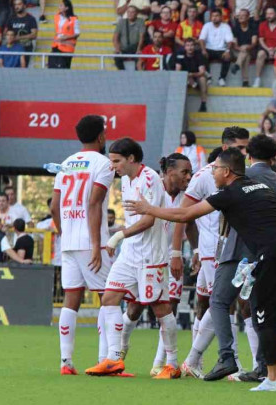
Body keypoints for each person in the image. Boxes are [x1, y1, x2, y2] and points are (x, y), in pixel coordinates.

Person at [126, 145, 276, 393]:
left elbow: (185, 213)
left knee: (263, 318)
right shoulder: (260, 186)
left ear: (227, 172)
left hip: (272, 253)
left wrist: (148, 209)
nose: (213, 173)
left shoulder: (229, 193)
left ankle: (274, 377)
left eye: (216, 169)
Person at [196, 130, 276, 383]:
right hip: (268, 253)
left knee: (220, 302)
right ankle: (264, 366)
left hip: (237, 249)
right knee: (258, 307)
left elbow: (187, 210)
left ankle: (225, 357)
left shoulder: (239, 178)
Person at [83, 138, 173, 377]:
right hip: (130, 253)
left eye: (116, 161)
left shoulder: (150, 178)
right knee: (110, 298)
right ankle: (114, 359)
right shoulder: (124, 180)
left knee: (161, 307)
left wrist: (117, 236)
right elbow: (134, 218)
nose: (112, 166)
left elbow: (149, 219)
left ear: (131, 158)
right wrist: (120, 235)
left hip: (151, 255)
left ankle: (172, 363)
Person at [170, 127, 246, 380]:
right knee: (223, 304)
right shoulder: (204, 176)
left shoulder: (241, 175)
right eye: (240, 147)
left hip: (224, 249)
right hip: (215, 251)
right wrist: (177, 251)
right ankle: (225, 362)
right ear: (226, 149)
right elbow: (183, 215)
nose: (245, 152)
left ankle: (195, 360)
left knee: (208, 303)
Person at [49, 115, 114, 375]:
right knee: (108, 298)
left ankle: (66, 362)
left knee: (70, 300)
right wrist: (97, 245)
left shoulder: (65, 163)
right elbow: (94, 204)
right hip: (91, 242)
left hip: (68, 242)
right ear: (100, 136)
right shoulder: (104, 163)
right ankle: (105, 359)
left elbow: (54, 206)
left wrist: (64, 232)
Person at [120, 153, 193, 379]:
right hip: (145, 258)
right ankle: (120, 351)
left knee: (167, 308)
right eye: (185, 173)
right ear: (170, 173)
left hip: (171, 260)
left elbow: (189, 222)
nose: (189, 178)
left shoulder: (187, 196)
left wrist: (187, 252)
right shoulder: (152, 188)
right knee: (134, 308)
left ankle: (160, 364)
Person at [199, 9, 234, 86]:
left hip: (221, 50)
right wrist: (203, 50)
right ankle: (208, 77)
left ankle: (222, 78)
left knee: (228, 56)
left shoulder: (226, 26)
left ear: (221, 17)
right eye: (213, 16)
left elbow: (230, 41)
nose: (215, 18)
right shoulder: (207, 26)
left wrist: (227, 51)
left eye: (217, 16)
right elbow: (201, 39)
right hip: (209, 49)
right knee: (201, 54)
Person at [176, 38, 209, 112]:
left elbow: (202, 72)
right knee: (182, 77)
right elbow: (178, 71)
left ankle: (203, 104)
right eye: (187, 45)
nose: (190, 47)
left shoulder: (199, 55)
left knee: (203, 79)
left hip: (195, 75)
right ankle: (180, 105)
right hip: (185, 77)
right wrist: (187, 76)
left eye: (191, 45)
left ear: (194, 46)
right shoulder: (180, 54)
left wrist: (191, 75)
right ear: (184, 47)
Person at [230, 9, 258, 87]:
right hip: (238, 51)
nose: (240, 17)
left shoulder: (253, 27)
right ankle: (245, 81)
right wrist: (241, 49)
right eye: (239, 15)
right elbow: (235, 45)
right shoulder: (235, 28)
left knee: (246, 51)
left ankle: (237, 65)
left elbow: (254, 43)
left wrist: (247, 47)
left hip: (251, 50)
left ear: (248, 17)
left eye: (243, 15)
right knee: (245, 55)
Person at [113, 5, 145, 70]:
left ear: (136, 13)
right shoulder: (121, 22)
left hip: (135, 48)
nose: (130, 14)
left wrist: (138, 49)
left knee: (140, 60)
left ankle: (137, 75)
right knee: (117, 58)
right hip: (123, 48)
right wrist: (117, 48)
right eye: (128, 12)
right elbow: (115, 37)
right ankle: (122, 73)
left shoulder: (140, 21)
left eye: (132, 12)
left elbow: (142, 37)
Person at [7, 0, 38, 67]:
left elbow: (34, 35)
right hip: (13, 47)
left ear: (24, 5)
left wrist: (18, 37)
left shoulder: (31, 19)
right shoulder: (11, 19)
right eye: (15, 5)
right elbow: (7, 33)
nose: (16, 7)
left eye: (19, 4)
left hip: (26, 48)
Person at [49, 0, 78, 69]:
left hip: (67, 49)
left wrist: (65, 37)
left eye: (61, 5)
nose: (59, 7)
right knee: (52, 66)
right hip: (56, 46)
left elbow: (77, 33)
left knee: (64, 69)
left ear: (66, 8)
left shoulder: (74, 19)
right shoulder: (57, 16)